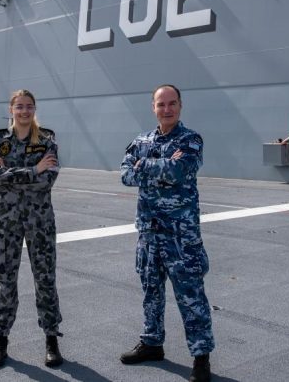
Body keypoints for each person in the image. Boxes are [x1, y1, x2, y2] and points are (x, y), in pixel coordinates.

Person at [120, 84, 215, 382]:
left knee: (191, 297)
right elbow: (125, 175)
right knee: (151, 293)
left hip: (180, 237)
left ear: (180, 106)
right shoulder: (141, 139)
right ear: (153, 107)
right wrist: (162, 164)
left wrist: (144, 165)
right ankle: (152, 343)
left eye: (172, 103)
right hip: (149, 234)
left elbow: (181, 170)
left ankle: (201, 357)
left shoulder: (190, 139)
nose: (167, 109)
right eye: (161, 104)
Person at [0, 89, 63, 368]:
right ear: (11, 110)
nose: (25, 111)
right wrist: (33, 170)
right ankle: (1, 340)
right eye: (19, 107)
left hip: (40, 223)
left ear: (34, 109)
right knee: (5, 282)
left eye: (29, 106)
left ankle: (51, 339)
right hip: (7, 223)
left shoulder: (47, 140)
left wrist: (16, 173)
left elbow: (48, 180)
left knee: (45, 280)